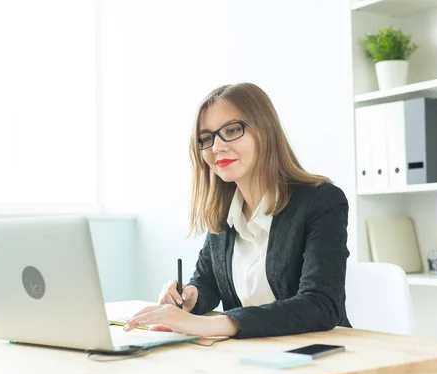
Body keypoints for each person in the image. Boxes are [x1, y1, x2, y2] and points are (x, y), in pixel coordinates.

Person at [125, 82, 351, 339]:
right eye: (206, 138)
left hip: (318, 354)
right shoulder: (225, 213)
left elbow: (320, 305)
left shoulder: (321, 201)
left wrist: (214, 325)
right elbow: (208, 283)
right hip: (248, 355)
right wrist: (189, 298)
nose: (216, 147)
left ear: (265, 131)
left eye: (232, 130)